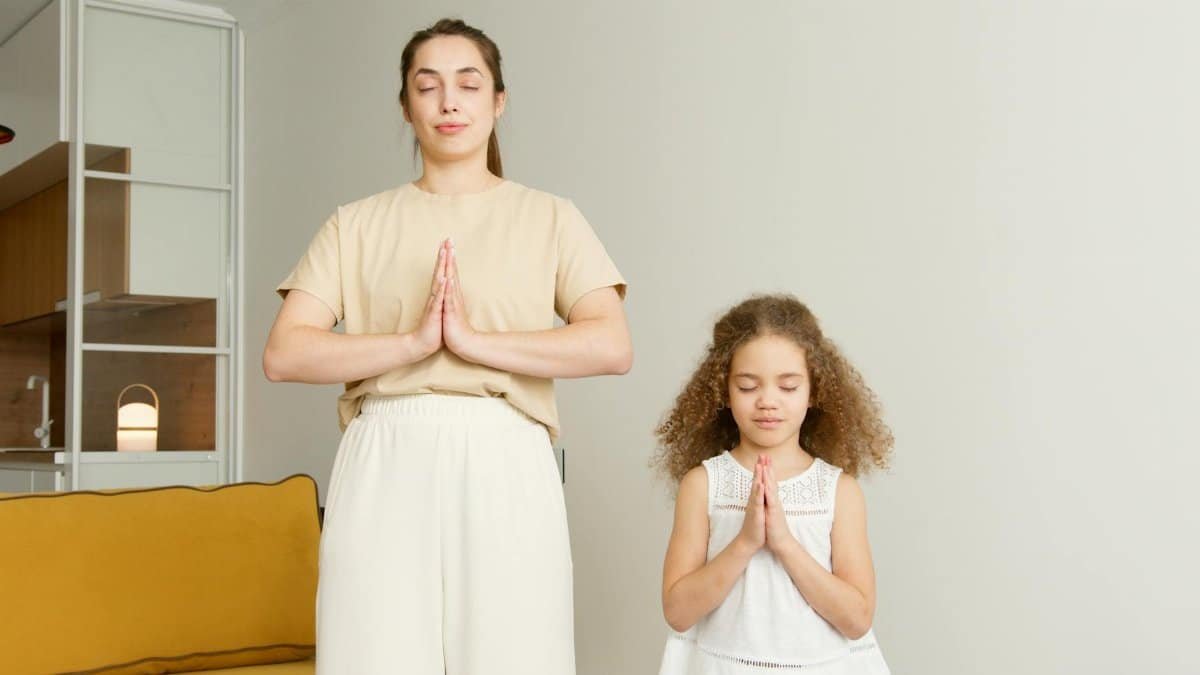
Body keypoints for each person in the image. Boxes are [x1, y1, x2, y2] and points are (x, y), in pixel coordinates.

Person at [262, 18, 631, 675]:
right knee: (372, 652)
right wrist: (411, 343)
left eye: (468, 83)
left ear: (498, 101)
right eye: (427, 86)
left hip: (506, 448)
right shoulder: (355, 222)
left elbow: (610, 343)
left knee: (517, 652)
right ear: (406, 106)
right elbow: (285, 353)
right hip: (385, 450)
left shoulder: (550, 216)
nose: (449, 101)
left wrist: (474, 342)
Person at [654, 294, 891, 674]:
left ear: (814, 391)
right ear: (723, 391)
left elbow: (857, 619)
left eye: (788, 386)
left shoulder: (838, 492)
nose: (767, 401)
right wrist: (746, 542)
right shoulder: (703, 486)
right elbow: (678, 612)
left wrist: (783, 543)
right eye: (748, 387)